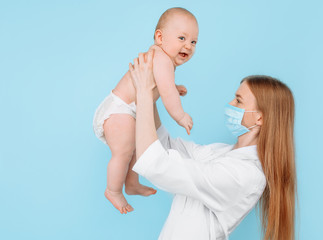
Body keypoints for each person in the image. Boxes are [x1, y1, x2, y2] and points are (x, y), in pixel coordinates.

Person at [129, 50, 297, 240]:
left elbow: (156, 164)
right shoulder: (221, 152)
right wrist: (153, 94)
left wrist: (143, 94)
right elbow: (164, 145)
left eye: (239, 100)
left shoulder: (246, 175)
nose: (230, 103)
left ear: (260, 118)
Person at [92, 7, 198, 213]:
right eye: (182, 38)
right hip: (120, 110)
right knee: (123, 152)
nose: (188, 46)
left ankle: (131, 184)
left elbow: (160, 85)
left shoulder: (161, 57)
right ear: (160, 37)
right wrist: (181, 116)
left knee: (135, 148)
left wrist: (175, 88)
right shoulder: (162, 59)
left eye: (193, 42)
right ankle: (113, 190)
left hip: (128, 109)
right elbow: (166, 93)